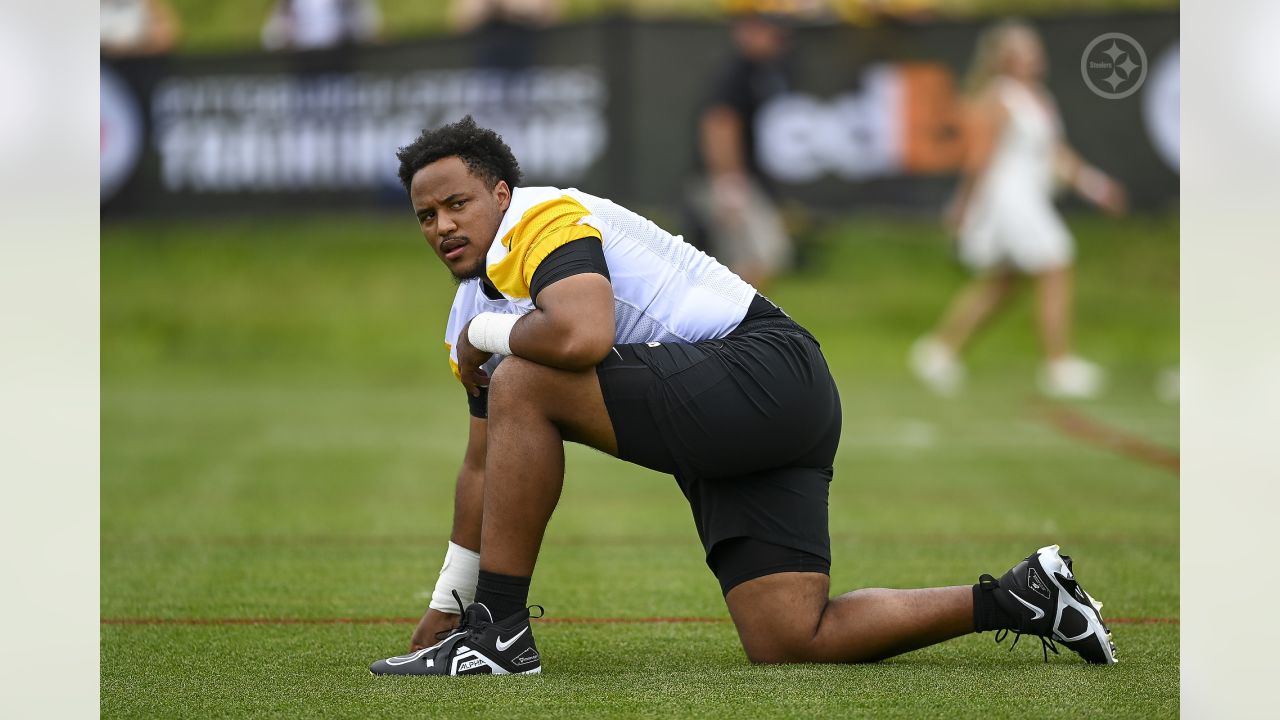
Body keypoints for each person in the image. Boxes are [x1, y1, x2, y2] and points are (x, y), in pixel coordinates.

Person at [368, 116, 1117, 676]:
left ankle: (500, 632)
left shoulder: (540, 218)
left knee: (524, 379)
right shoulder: (469, 309)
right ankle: (1023, 595)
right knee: (790, 639)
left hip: (764, 368)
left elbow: (582, 336)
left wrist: (488, 342)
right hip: (757, 402)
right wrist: (445, 604)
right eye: (426, 217)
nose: (442, 226)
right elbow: (481, 464)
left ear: (501, 193)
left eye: (457, 204)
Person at [910, 20, 1128, 399]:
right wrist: (963, 207)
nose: (1034, 57)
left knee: (1003, 283)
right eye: (1024, 51)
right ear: (1006, 58)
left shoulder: (1038, 97)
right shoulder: (998, 97)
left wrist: (1096, 186)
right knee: (1056, 262)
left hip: (1030, 198)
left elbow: (1057, 155)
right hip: (1007, 200)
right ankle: (1059, 365)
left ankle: (938, 351)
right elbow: (980, 158)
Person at [687, 13, 795, 290]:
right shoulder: (736, 73)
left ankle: (739, 321)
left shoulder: (763, 71)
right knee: (756, 254)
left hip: (744, 178)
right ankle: (737, 323)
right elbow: (719, 125)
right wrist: (728, 181)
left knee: (760, 256)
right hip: (729, 178)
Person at [261, 0, 381, 51]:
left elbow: (368, 27)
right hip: (302, 68)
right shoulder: (288, 3)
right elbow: (271, 37)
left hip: (341, 63)